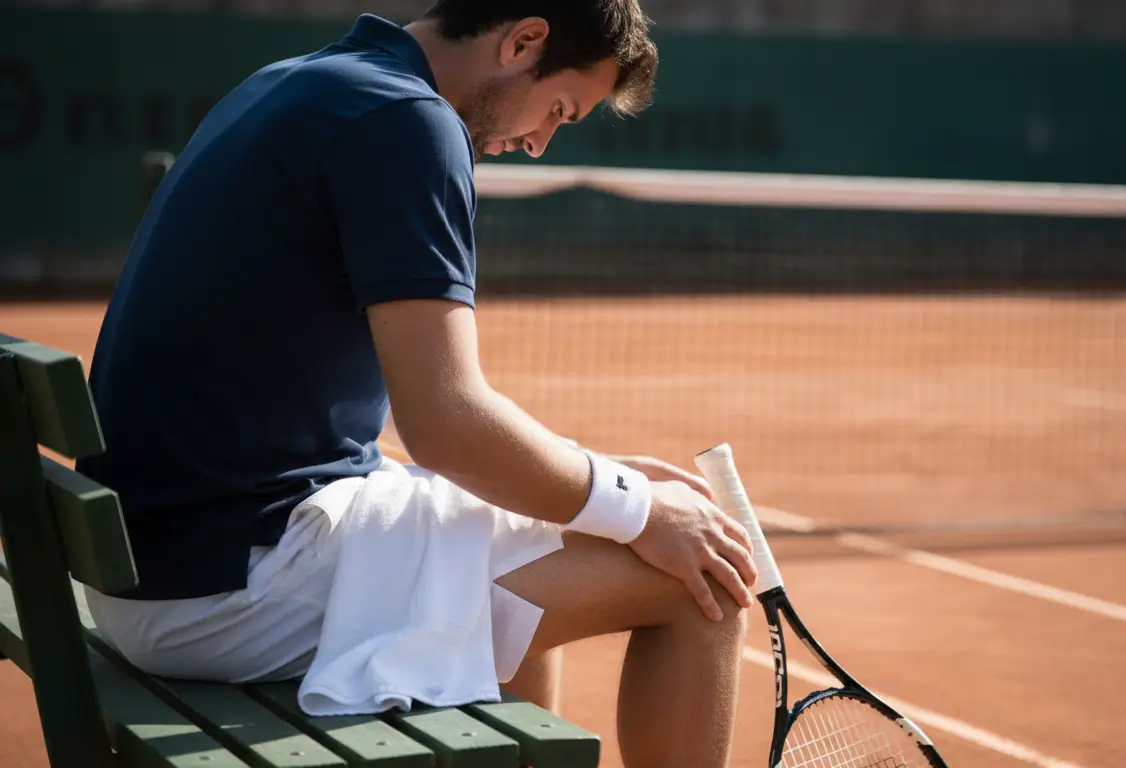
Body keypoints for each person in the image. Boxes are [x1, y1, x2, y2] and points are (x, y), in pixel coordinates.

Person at [76, 3, 757, 766]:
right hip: (219, 592)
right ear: (523, 40)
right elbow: (447, 425)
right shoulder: (407, 122)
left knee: (523, 532)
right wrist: (637, 511)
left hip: (153, 560)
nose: (538, 142)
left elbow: (442, 432)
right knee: (709, 585)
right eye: (558, 109)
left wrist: (611, 485)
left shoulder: (297, 81)